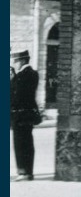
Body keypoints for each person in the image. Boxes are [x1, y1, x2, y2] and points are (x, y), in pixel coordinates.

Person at [11, 51, 41, 181]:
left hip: (22, 114)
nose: (14, 64)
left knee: (22, 143)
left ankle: (25, 172)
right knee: (24, 143)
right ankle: (25, 171)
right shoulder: (25, 75)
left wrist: (12, 79)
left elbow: (19, 94)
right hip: (22, 114)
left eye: (16, 61)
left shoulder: (27, 74)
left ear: (22, 61)